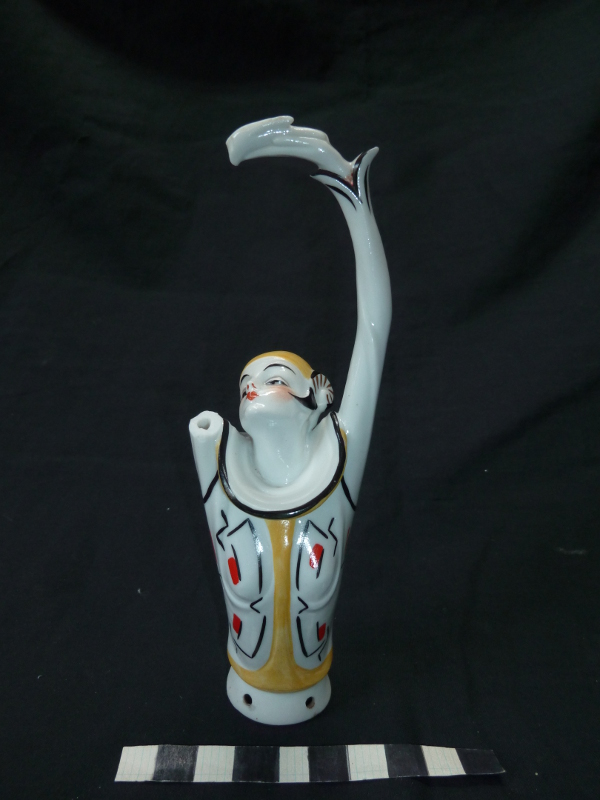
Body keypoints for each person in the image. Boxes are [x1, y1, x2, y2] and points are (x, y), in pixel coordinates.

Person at [190, 117, 391, 724]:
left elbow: (374, 329)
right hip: (243, 679)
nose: (255, 387)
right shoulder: (216, 459)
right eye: (246, 384)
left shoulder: (339, 461)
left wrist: (353, 198)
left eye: (275, 375)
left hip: (313, 684)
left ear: (317, 399)